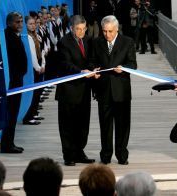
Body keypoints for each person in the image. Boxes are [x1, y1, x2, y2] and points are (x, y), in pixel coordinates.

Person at [91, 15, 137, 165]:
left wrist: (123, 69)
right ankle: (106, 155)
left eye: (110, 31)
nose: (107, 34)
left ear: (117, 29)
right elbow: (92, 61)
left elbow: (133, 65)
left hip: (121, 91)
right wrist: (94, 70)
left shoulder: (128, 42)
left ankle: (122, 155)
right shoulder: (97, 42)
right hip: (103, 90)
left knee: (123, 125)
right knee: (105, 125)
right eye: (104, 31)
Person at [56, 15, 96, 166]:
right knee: (67, 124)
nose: (81, 32)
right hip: (69, 90)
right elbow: (65, 64)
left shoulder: (87, 40)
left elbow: (90, 59)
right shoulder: (64, 42)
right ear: (71, 28)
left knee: (83, 123)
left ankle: (79, 151)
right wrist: (81, 71)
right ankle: (68, 155)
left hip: (84, 89)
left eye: (84, 29)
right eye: (78, 29)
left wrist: (92, 68)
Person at [1, 12, 27, 153]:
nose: (20, 25)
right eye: (17, 22)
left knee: (13, 113)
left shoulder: (13, 36)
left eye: (21, 21)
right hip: (12, 82)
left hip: (17, 80)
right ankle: (7, 144)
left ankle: (9, 142)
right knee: (10, 113)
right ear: (10, 23)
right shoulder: (8, 37)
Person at [22, 16, 45, 125]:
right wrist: (38, 68)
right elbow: (32, 55)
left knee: (38, 92)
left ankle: (34, 112)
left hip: (40, 65)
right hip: (34, 68)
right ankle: (28, 116)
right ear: (26, 25)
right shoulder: (27, 37)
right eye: (30, 24)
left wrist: (43, 64)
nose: (33, 25)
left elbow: (42, 52)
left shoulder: (36, 36)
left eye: (34, 23)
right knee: (34, 93)